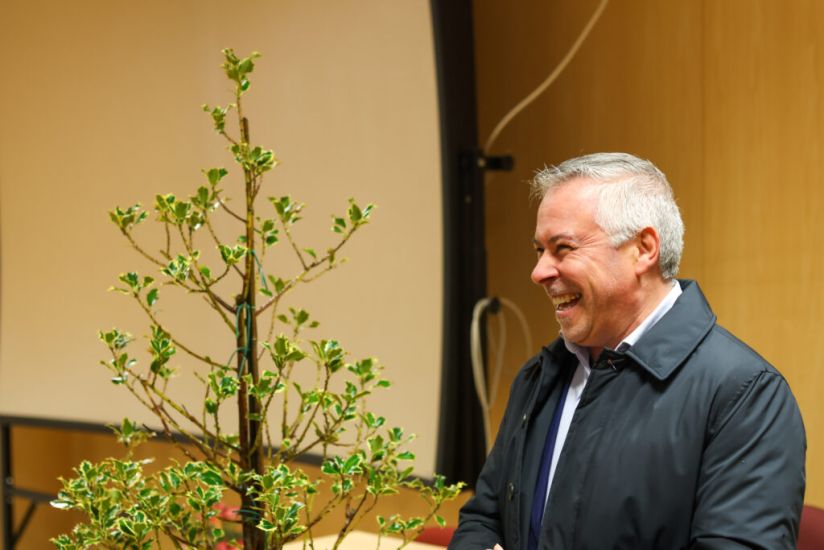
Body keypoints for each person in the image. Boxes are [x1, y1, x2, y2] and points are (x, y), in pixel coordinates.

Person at [449, 152, 806, 549]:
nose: (539, 272)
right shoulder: (540, 375)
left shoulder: (745, 394)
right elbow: (483, 518)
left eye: (563, 248)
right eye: (539, 251)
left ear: (643, 248)